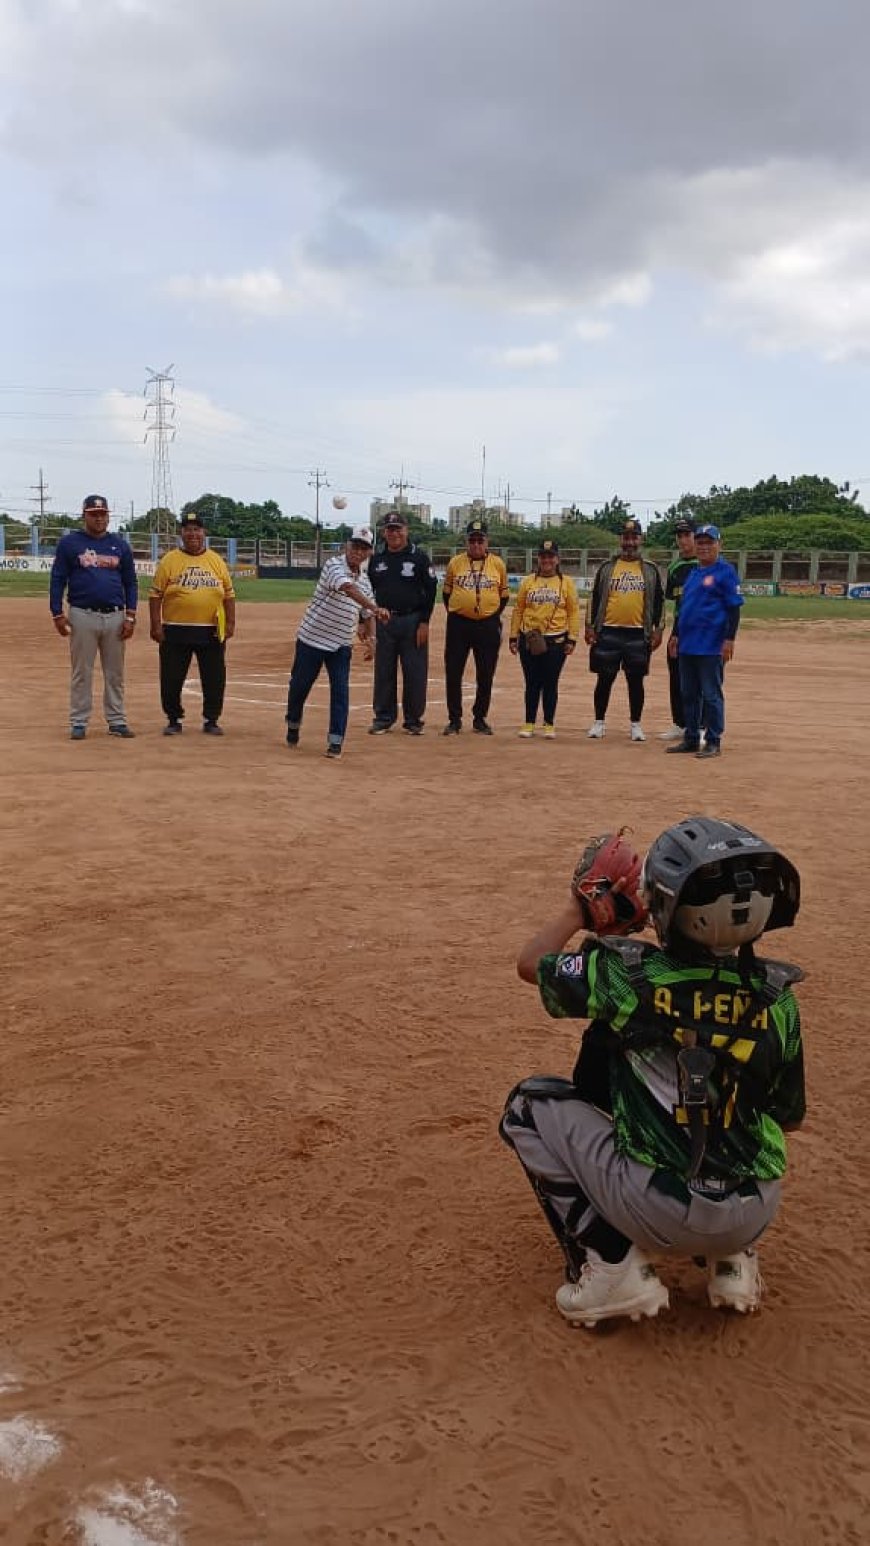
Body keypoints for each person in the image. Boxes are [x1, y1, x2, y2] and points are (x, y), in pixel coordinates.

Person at [500, 815, 804, 1328]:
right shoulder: (778, 997)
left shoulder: (629, 974)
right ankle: (735, 1259)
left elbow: (533, 962)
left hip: (659, 1209)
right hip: (754, 1208)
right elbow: (788, 1116)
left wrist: (581, 910)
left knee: (526, 1106)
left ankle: (612, 1264)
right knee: (743, 1120)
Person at [285, 526, 390, 759]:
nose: (357, 552)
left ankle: (335, 742)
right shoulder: (334, 565)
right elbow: (348, 588)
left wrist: (372, 638)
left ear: (369, 553)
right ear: (347, 546)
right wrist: (374, 608)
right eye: (355, 546)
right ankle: (293, 722)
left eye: (363, 548)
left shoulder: (365, 581)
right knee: (299, 687)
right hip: (311, 640)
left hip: (341, 645)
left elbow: (366, 612)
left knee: (341, 692)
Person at [49, 493, 138, 740]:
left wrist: (130, 616)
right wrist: (57, 613)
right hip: (82, 614)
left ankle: (117, 720)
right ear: (85, 515)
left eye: (103, 514)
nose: (99, 519)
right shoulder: (70, 544)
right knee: (82, 672)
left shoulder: (120, 545)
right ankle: (79, 721)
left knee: (115, 673)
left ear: (108, 515)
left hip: (114, 616)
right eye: (94, 514)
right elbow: (58, 578)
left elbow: (130, 582)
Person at [148, 510, 236, 736]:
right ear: (182, 533)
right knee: (171, 677)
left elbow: (228, 594)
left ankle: (211, 719)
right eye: (188, 529)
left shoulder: (216, 560)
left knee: (214, 677)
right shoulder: (170, 560)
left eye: (197, 529)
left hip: (211, 631)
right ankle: (173, 718)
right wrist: (156, 625)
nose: (192, 534)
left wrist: (231, 623)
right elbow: (155, 595)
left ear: (203, 532)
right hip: (176, 629)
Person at [666, 524, 743, 761]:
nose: (704, 547)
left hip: (711, 645)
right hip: (688, 644)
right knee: (688, 693)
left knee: (711, 694)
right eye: (700, 542)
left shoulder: (725, 572)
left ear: (719, 544)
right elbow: (683, 609)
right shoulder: (694, 574)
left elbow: (734, 608)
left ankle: (713, 740)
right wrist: (676, 634)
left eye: (709, 542)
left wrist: (729, 639)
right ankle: (691, 737)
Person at [585, 518, 664, 742]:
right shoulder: (607, 567)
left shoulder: (650, 569)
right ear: (620, 540)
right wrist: (590, 626)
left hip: (638, 633)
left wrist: (659, 629)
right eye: (626, 537)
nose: (630, 542)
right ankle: (599, 722)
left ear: (641, 539)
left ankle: (635, 724)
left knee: (636, 681)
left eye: (634, 537)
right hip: (608, 631)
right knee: (604, 678)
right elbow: (595, 598)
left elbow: (658, 602)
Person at [367, 510, 437, 736]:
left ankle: (413, 719)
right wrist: (363, 620)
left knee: (415, 672)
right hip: (384, 621)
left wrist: (424, 622)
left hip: (412, 620)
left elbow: (431, 589)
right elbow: (366, 592)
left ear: (406, 531)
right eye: (390, 529)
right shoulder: (376, 560)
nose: (394, 533)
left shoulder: (419, 557)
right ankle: (383, 717)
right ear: (384, 533)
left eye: (398, 528)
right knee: (384, 671)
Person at [442, 519, 510, 735]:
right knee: (453, 672)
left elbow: (504, 595)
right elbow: (446, 593)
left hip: (487, 625)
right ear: (467, 541)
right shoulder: (455, 563)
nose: (476, 544)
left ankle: (480, 718)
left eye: (480, 540)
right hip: (459, 625)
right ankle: (454, 719)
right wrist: (460, 609)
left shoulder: (498, 564)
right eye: (472, 540)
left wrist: (490, 615)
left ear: (487, 542)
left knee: (486, 673)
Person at [509, 539, 581, 738]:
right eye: (543, 557)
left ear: (557, 559)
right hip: (530, 638)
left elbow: (573, 612)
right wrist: (513, 636)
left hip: (556, 641)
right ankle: (529, 722)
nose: (546, 560)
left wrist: (572, 638)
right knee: (532, 682)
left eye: (550, 556)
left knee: (550, 682)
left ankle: (549, 723)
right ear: (538, 559)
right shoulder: (528, 582)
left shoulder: (566, 583)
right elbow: (519, 609)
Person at [659, 519, 698, 741]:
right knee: (676, 677)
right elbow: (675, 602)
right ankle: (679, 723)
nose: (683, 540)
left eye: (687, 534)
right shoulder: (675, 567)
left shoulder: (704, 564)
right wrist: (674, 633)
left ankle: (700, 725)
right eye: (679, 535)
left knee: (699, 680)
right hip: (680, 629)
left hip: (701, 631)